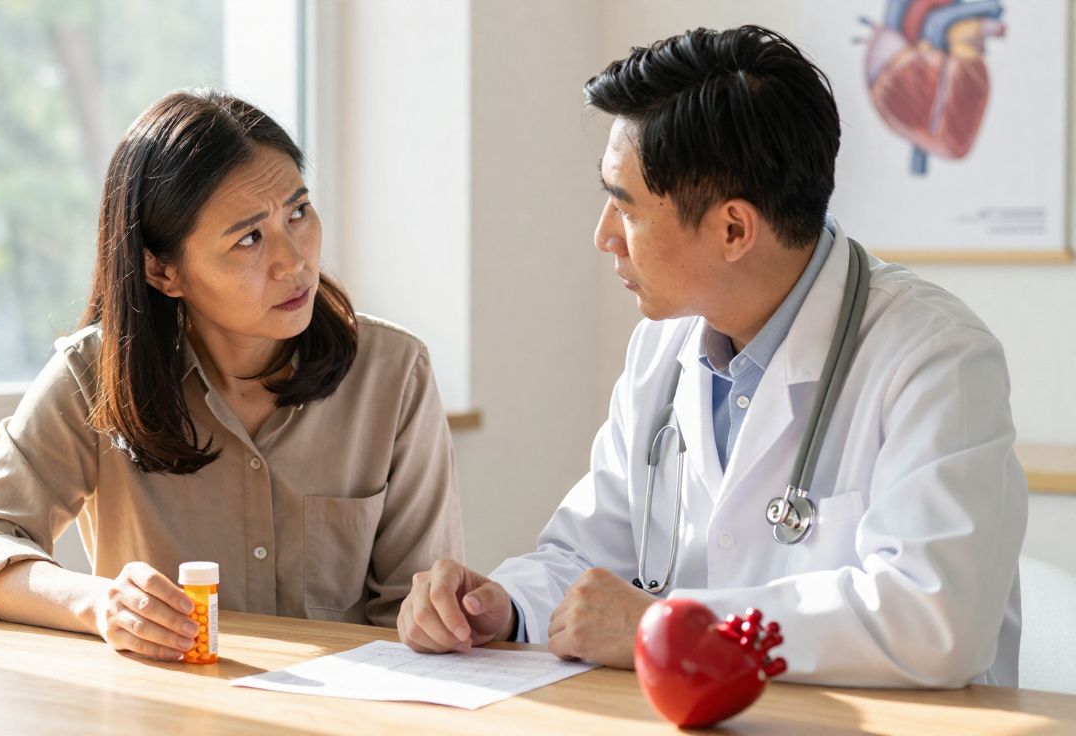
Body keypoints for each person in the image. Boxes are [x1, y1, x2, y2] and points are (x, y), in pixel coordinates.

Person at [397, 25, 1026, 688]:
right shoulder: (662, 349)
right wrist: (505, 605)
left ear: (732, 230)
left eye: (626, 208)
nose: (603, 236)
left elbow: (933, 623)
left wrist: (666, 623)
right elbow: (588, 555)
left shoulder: (936, 359)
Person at [0, 89, 463, 661]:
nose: (294, 261)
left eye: (299, 212)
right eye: (250, 238)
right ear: (163, 271)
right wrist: (100, 604)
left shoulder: (393, 372)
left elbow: (416, 616)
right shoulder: (94, 375)